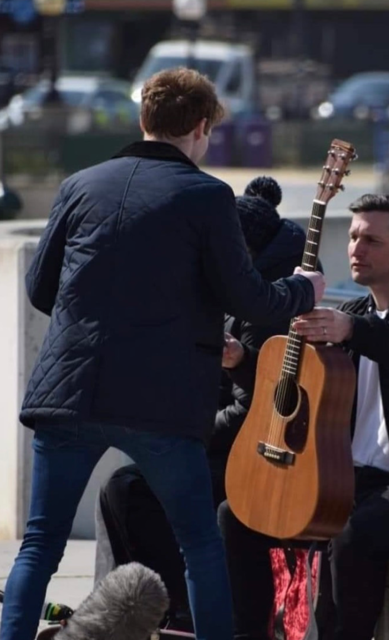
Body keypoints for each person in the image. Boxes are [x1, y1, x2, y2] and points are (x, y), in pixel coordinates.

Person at [0, 68, 324, 640]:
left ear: (143, 118)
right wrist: (304, 290)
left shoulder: (79, 184)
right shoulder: (207, 195)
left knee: (41, 544)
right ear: (200, 128)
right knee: (199, 544)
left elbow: (41, 290)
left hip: (70, 392)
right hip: (162, 402)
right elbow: (249, 297)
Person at [218, 193, 389, 640]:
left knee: (350, 534)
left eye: (371, 240)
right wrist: (240, 360)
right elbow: (295, 385)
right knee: (239, 516)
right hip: (347, 481)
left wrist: (353, 330)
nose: (355, 249)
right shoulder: (355, 314)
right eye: (352, 237)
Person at [95, 175, 313, 631]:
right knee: (124, 486)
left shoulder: (266, 305)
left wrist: (188, 434)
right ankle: (134, 610)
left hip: (252, 455)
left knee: (130, 491)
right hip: (217, 442)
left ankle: (173, 612)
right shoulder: (231, 290)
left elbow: (255, 407)